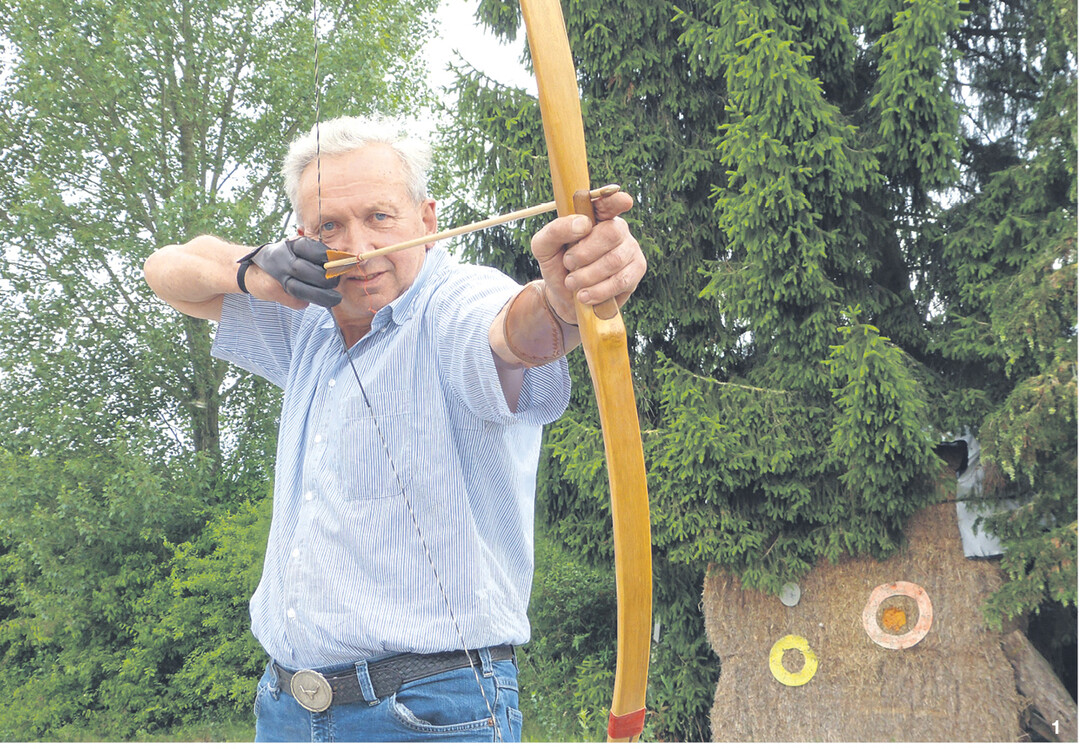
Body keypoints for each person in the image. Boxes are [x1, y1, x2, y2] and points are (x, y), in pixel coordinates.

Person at [143, 115, 646, 742]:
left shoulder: (455, 299)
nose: (358, 245)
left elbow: (515, 332)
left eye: (380, 217)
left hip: (431, 708)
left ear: (428, 220)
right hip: (286, 708)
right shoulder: (306, 321)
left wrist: (565, 303)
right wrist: (254, 272)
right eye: (331, 226)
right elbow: (167, 267)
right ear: (301, 237)